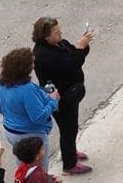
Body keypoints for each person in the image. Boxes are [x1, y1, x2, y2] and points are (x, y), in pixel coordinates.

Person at [31, 16, 94, 174]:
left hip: (70, 94)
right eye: (56, 32)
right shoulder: (43, 55)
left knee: (71, 127)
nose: (60, 34)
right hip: (59, 99)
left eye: (59, 31)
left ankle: (70, 152)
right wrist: (80, 48)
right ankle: (69, 164)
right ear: (45, 36)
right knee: (68, 129)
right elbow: (71, 66)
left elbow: (75, 56)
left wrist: (82, 47)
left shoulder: (60, 44)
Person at [0, 47, 58, 161]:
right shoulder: (27, 90)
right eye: (31, 63)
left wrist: (14, 116)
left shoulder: (2, 83)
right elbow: (38, 117)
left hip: (11, 132)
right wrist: (53, 100)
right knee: (39, 167)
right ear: (24, 68)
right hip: (30, 135)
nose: (33, 65)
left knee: (22, 162)